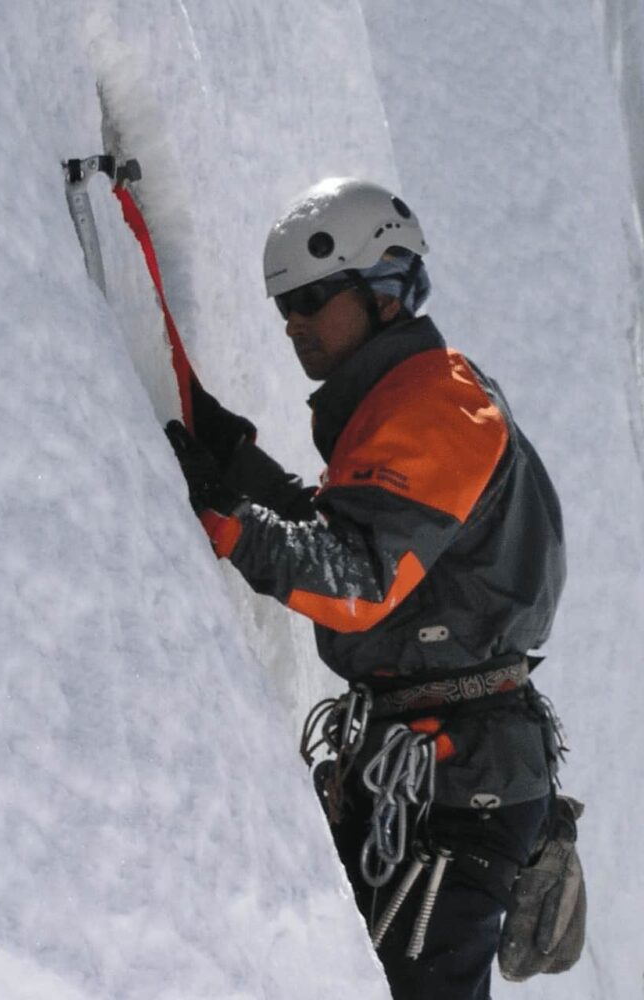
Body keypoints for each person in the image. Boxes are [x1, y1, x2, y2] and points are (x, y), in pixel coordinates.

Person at [165, 177, 567, 1000]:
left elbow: (361, 579)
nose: (296, 323)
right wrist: (238, 470)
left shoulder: (441, 409)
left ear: (385, 291)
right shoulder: (406, 403)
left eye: (315, 297)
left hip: (456, 783)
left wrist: (225, 514)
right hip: (434, 768)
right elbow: (359, 539)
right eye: (286, 306)